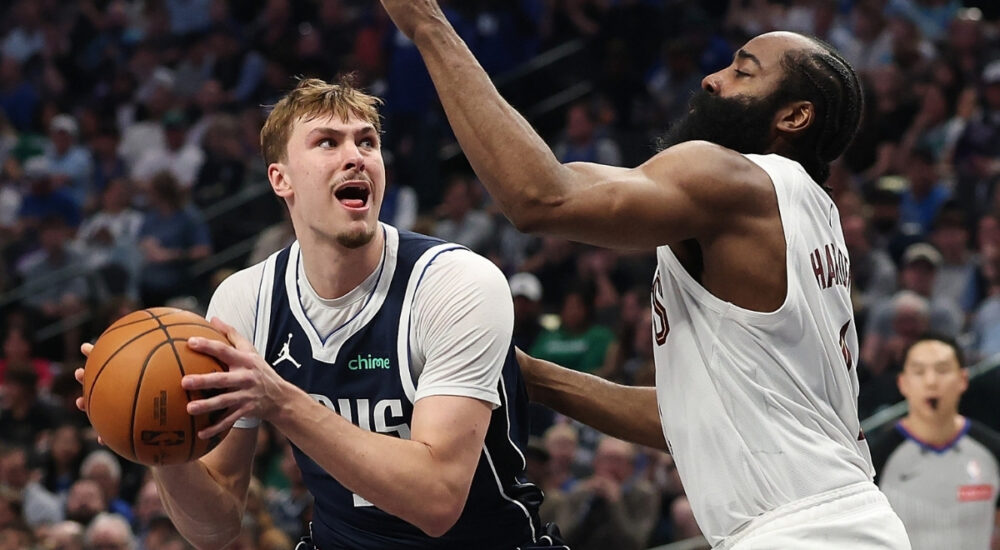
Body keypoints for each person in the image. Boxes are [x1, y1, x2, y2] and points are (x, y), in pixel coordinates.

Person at [377, 3, 909, 548]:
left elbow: (540, 197)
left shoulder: (734, 179)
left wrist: (428, 27)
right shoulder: (810, 214)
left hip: (803, 530)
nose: (712, 78)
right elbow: (687, 417)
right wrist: (532, 377)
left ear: (793, 117)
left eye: (743, 72)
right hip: (845, 520)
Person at [78, 77, 553, 550]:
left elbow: (437, 502)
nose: (356, 156)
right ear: (280, 178)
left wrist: (281, 401)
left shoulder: (457, 282)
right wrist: (159, 433)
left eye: (368, 142)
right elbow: (217, 526)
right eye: (328, 142)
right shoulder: (245, 301)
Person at [868, 334, 1000, 550]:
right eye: (919, 372)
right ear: (903, 383)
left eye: (942, 370)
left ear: (963, 380)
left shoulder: (992, 451)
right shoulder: (875, 460)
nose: (931, 381)